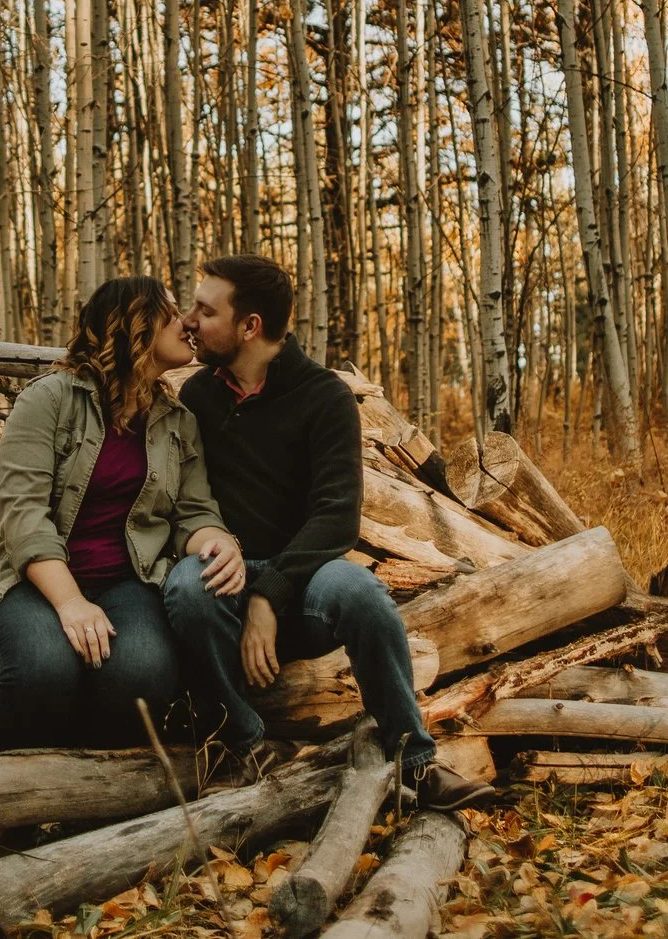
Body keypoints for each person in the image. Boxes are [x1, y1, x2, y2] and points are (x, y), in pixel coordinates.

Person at [161, 254, 495, 810]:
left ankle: (414, 764)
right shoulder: (197, 397)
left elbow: (336, 516)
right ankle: (243, 746)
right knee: (188, 589)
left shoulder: (323, 396)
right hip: (226, 574)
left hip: (306, 583)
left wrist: (270, 595)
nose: (190, 320)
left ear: (250, 326)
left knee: (361, 593)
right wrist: (237, 572)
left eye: (205, 310)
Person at [0, 276, 248, 754]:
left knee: (143, 674)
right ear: (134, 325)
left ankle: (71, 799)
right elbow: (22, 515)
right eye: (170, 312)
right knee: (44, 668)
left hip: (128, 583)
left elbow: (194, 512)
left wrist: (217, 539)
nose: (187, 323)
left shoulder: (178, 421)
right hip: (21, 586)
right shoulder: (47, 399)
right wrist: (70, 603)